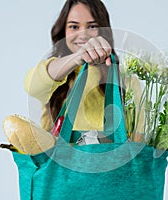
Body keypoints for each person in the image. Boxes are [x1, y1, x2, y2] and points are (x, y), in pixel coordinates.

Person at [24, 0, 120, 139]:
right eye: (74, 26)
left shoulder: (125, 81)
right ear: (63, 31)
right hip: (58, 160)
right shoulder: (56, 72)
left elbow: (138, 139)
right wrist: (77, 57)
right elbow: (32, 86)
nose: (83, 35)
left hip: (112, 161)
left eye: (92, 26)